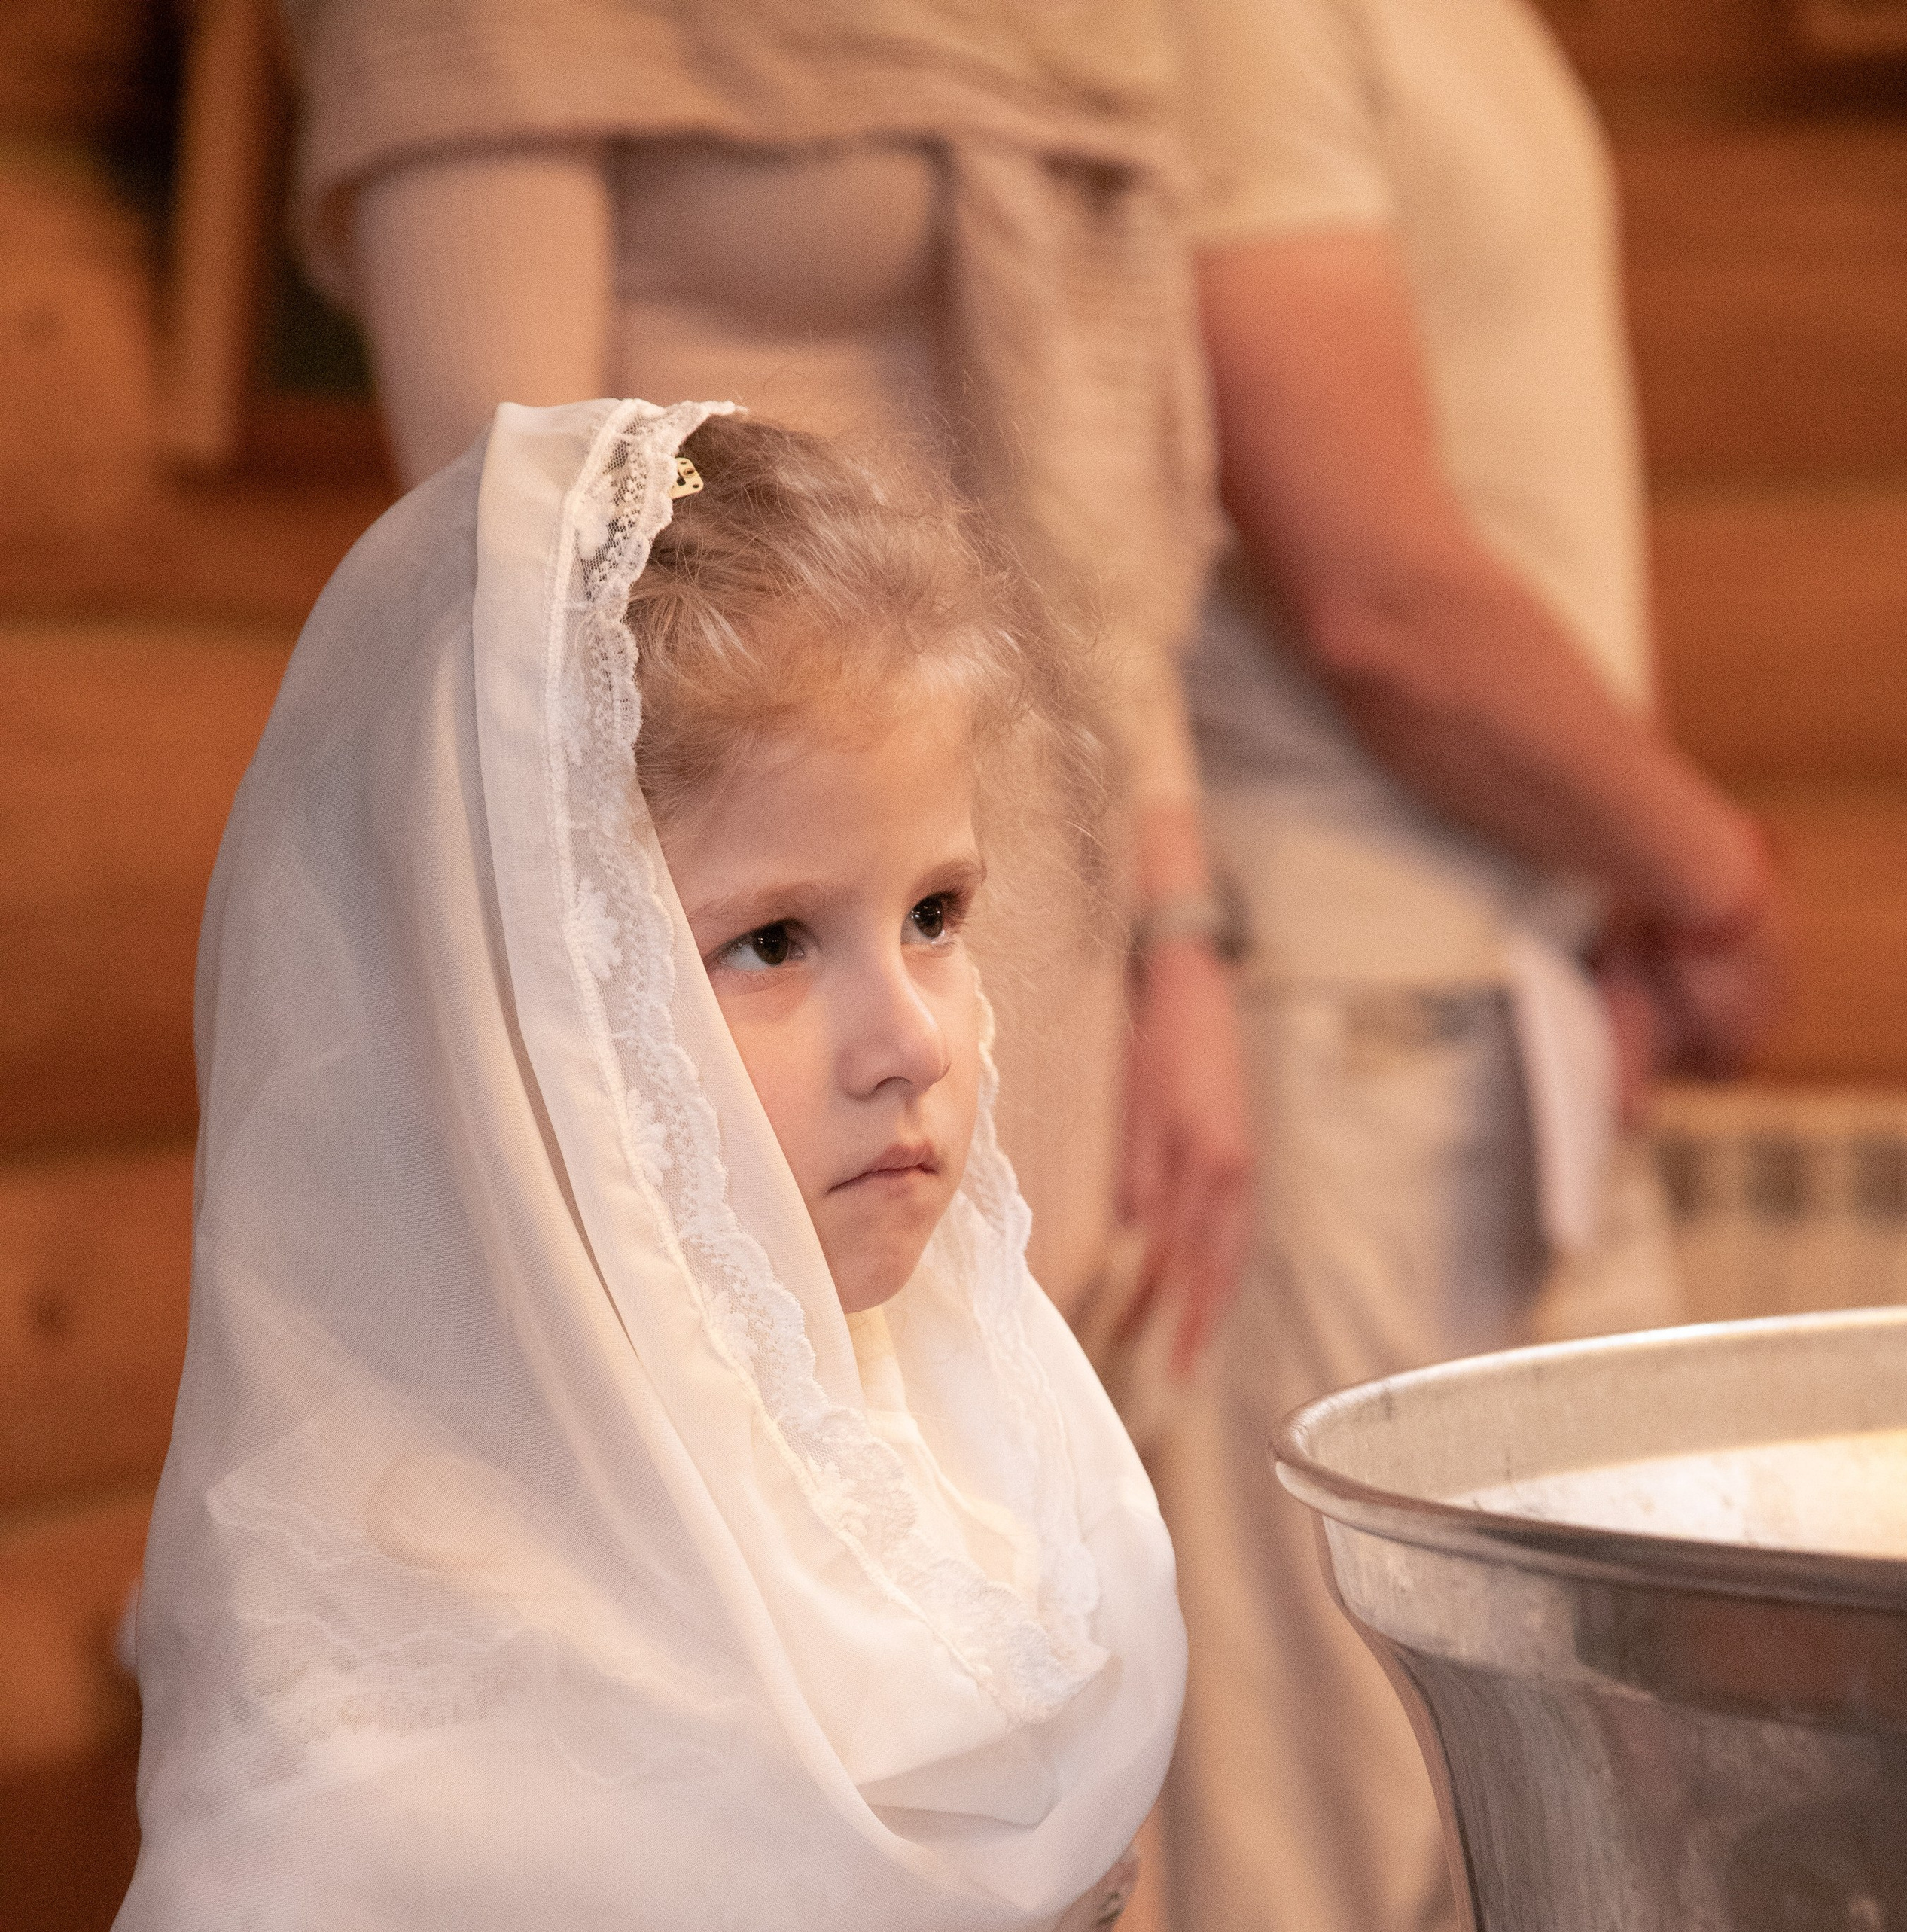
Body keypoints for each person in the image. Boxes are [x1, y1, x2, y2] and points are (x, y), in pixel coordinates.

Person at [53, 402, 1356, 1932]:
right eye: (777, 941)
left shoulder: (940, 1490)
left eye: (943, 911)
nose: (917, 1037)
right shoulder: (389, 1619)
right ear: (525, 1020)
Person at [1152, 0, 1784, 1932]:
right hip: (1337, 1012)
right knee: (1302, 1839)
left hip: (1494, 1022)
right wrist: (1705, 858)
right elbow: (1373, 578)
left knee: (1497, 1844)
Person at [279, 0, 1253, 1367]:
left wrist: (1176, 927)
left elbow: (1096, 539)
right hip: (712, 871)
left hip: (996, 849)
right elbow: (516, 577)